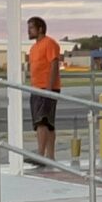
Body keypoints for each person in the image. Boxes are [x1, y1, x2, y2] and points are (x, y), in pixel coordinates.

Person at [24, 16, 62, 160]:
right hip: (36, 88)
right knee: (48, 124)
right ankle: (50, 156)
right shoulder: (33, 48)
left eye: (31, 28)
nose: (29, 31)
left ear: (40, 29)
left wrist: (49, 88)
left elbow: (54, 64)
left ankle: (41, 154)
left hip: (46, 88)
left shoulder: (50, 43)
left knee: (42, 121)